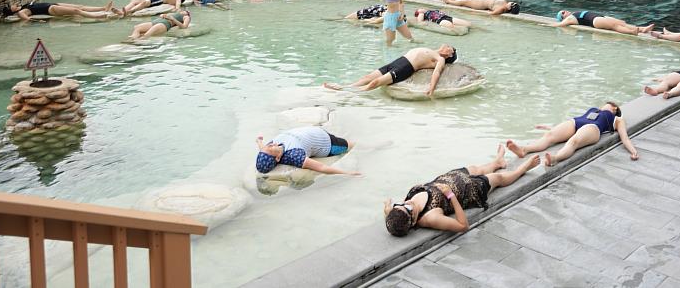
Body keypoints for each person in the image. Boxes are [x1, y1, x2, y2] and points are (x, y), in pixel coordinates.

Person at [383, 145, 540, 236]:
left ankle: (497, 161)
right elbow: (463, 226)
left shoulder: (400, 212)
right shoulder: (430, 218)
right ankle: (523, 169)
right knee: (497, 178)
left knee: (476, 168)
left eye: (401, 204)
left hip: (449, 178)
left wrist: (389, 209)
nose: (408, 202)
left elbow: (394, 216)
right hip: (469, 190)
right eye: (409, 208)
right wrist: (450, 195)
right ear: (414, 221)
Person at [506, 102, 638, 166]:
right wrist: (549, 127)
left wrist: (633, 151)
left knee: (574, 141)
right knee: (550, 135)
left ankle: (555, 158)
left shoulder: (617, 119)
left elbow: (624, 137)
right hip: (576, 122)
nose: (603, 105)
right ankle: (524, 150)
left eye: (606, 104)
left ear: (614, 108)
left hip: (594, 128)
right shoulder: (594, 110)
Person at [324, 45, 457, 97]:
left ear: (450, 55)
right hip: (398, 61)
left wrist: (432, 88)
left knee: (375, 82)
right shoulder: (432, 50)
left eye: (450, 48)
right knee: (367, 77)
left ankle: (348, 93)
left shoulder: (440, 59)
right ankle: (347, 86)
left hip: (406, 67)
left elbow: (437, 73)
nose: (446, 46)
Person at [254, 126, 360, 176]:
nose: (271, 144)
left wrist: (259, 141)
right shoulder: (294, 155)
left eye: (268, 146)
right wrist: (347, 173)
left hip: (315, 131)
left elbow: (262, 149)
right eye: (271, 148)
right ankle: (372, 146)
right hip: (328, 142)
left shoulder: (269, 147)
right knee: (354, 145)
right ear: (277, 158)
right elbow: (321, 167)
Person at [554, 10, 654, 35]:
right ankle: (632, 32)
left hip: (599, 16)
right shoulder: (569, 19)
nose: (565, 11)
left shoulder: (572, 14)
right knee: (615, 26)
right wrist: (545, 25)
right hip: (595, 21)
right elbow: (559, 25)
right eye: (563, 13)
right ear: (563, 17)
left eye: (564, 10)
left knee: (622, 22)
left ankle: (642, 29)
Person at [4, 1, 120, 22]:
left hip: (53, 4)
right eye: (12, 6)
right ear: (12, 10)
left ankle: (102, 8)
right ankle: (97, 17)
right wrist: (32, 20)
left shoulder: (24, 5)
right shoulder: (21, 11)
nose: (14, 4)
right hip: (50, 9)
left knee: (80, 6)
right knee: (76, 10)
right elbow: (24, 16)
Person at [441, 0, 520, 16]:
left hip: (481, 4)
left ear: (510, 8)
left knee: (464, 2)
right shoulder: (505, 3)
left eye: (512, 3)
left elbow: (492, 14)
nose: (511, 2)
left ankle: (448, 1)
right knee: (464, 2)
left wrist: (477, 13)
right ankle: (453, 0)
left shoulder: (502, 9)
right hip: (482, 1)